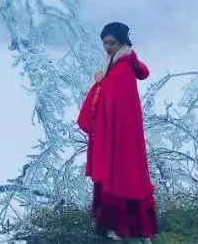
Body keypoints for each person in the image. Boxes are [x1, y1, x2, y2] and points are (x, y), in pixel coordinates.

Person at [77, 22, 157, 240]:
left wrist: (100, 87)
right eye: (104, 43)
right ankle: (114, 226)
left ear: (121, 42)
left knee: (122, 174)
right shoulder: (112, 64)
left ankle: (124, 228)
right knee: (114, 174)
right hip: (113, 131)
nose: (107, 47)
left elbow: (114, 101)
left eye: (111, 42)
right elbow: (106, 98)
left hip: (121, 134)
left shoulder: (122, 68)